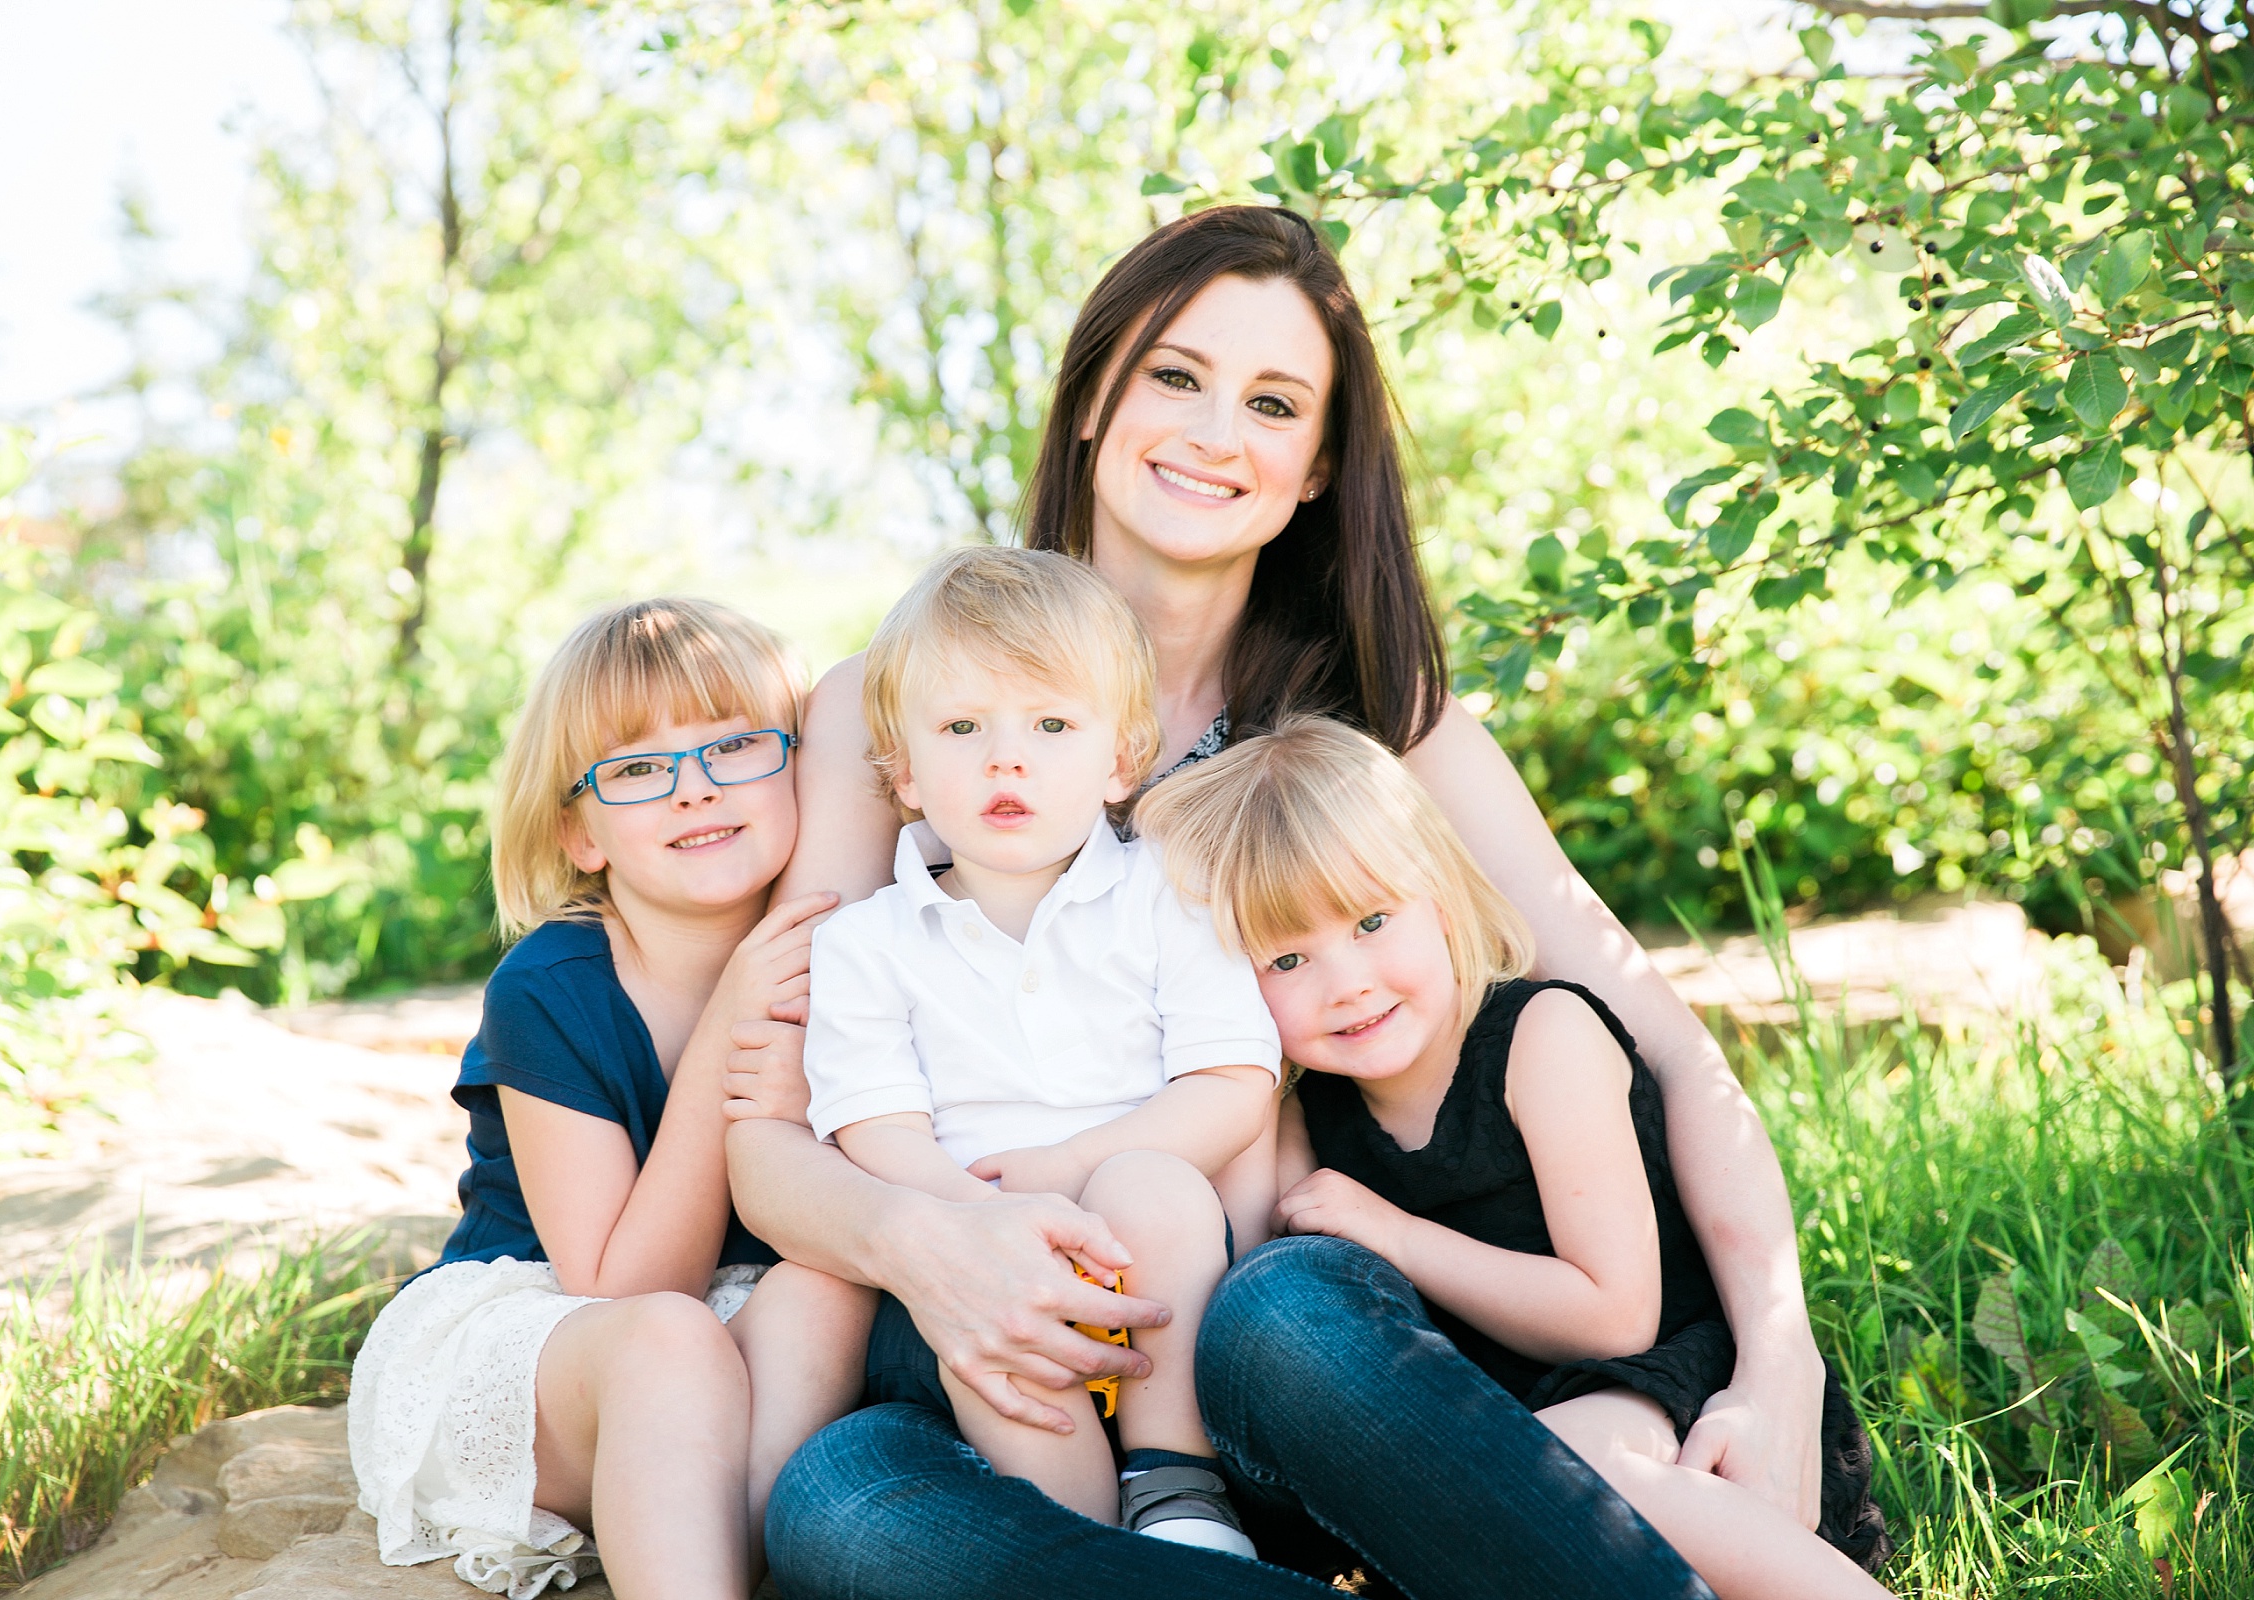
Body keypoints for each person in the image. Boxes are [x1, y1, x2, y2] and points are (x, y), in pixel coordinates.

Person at [727, 204, 1821, 1598]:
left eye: (1272, 402)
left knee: (1280, 1320)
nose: (1213, 430)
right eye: (1175, 376)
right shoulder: (909, 709)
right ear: (1091, 402)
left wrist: (1780, 1355)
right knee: (844, 1503)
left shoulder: (1380, 725)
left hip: (1297, 1344)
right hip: (990, 1320)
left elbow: (1652, 1033)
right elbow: (768, 1124)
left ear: (1316, 469)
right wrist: (928, 1242)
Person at [1133, 716, 1893, 1597]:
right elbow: (1256, 1289)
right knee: (1464, 1485)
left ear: (1443, 899)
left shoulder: (1543, 1036)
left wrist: (1399, 1237)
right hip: (1475, 1425)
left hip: (1649, 1388)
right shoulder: (1310, 1118)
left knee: (1562, 1466)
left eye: (1373, 920)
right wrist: (1241, 1064)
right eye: (1286, 957)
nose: (1347, 982)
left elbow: (1614, 1317)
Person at [347, 598, 873, 1600]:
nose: (695, 789)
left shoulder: (847, 942)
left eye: (736, 745)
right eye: (637, 768)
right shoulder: (549, 988)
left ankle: (712, 1560)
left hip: (723, 1334)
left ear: (798, 768)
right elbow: (621, 1286)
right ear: (578, 831)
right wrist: (728, 1025)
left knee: (830, 1282)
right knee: (668, 1341)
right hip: (555, 1331)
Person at [803, 546, 1280, 1556]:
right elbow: (871, 1122)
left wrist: (1074, 1169)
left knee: (1152, 1186)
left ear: (1121, 759)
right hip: (979, 1241)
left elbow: (1235, 1081)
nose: (1004, 759)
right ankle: (1087, 1547)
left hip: (1157, 1267)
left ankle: (1174, 1481)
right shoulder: (866, 942)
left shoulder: (1169, 892)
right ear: (904, 772)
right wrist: (986, 1218)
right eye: (962, 728)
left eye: (1051, 726)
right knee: (999, 1335)